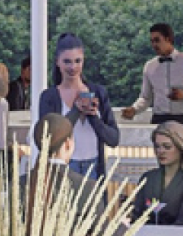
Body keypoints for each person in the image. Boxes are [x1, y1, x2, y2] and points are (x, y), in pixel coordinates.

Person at [37, 33, 120, 180]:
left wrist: (93, 116)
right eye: (67, 61)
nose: (73, 67)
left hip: (94, 166)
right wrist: (76, 111)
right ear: (57, 62)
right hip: (63, 168)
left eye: (77, 61)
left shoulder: (99, 92)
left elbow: (113, 139)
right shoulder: (49, 97)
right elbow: (48, 141)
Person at [121, 23, 183, 127]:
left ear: (168, 39)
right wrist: (134, 109)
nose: (154, 45)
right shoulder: (149, 66)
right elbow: (146, 97)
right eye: (152, 41)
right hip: (158, 119)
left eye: (157, 40)